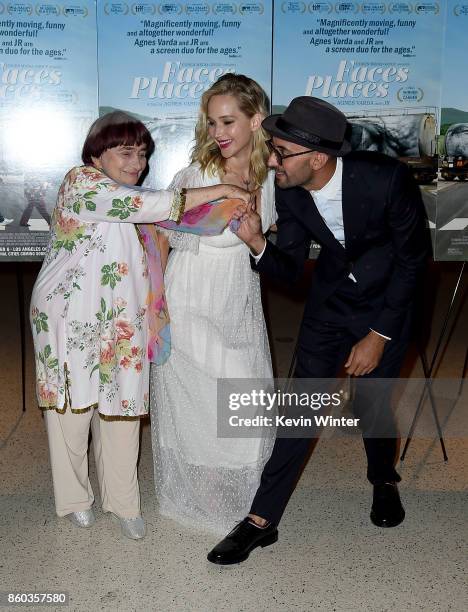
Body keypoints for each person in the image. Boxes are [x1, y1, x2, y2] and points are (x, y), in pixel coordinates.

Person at [207, 96, 429, 564]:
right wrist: (255, 242)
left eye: (280, 152)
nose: (270, 160)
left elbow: (413, 264)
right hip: (331, 306)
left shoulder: (384, 179)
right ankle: (261, 520)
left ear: (319, 158)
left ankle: (382, 479)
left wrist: (379, 336)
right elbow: (288, 268)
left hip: (389, 304)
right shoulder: (290, 189)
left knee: (372, 400)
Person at [30, 111, 249, 540]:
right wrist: (222, 186)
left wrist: (237, 203)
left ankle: (123, 502)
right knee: (72, 410)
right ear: (97, 152)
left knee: (123, 408)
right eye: (125, 152)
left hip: (123, 320)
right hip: (68, 315)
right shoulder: (82, 183)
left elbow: (189, 220)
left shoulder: (136, 199)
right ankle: (75, 498)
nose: (137, 162)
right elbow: (151, 205)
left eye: (143, 154)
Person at [150, 74, 277, 534]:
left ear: (256, 119)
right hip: (190, 297)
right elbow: (160, 238)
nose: (218, 133)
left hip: (237, 301)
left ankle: (237, 494)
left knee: (243, 399)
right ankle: (205, 495)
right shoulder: (197, 175)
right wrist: (155, 305)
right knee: (203, 400)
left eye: (228, 121)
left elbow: (267, 244)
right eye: (212, 123)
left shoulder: (272, 176)